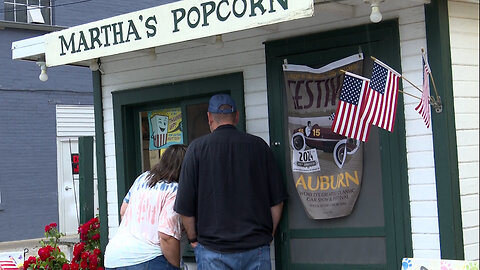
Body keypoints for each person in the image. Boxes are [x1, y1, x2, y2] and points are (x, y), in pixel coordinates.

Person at [174, 94, 288, 270]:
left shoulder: (196, 149)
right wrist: (268, 234)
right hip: (255, 248)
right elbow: (277, 200)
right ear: (236, 116)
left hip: (212, 250)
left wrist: (193, 240)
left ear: (209, 118)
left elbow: (185, 207)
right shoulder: (259, 147)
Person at [104, 144, 187, 270]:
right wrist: (175, 266)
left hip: (114, 256)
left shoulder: (143, 178)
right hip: (148, 258)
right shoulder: (175, 190)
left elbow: (123, 211)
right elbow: (166, 236)